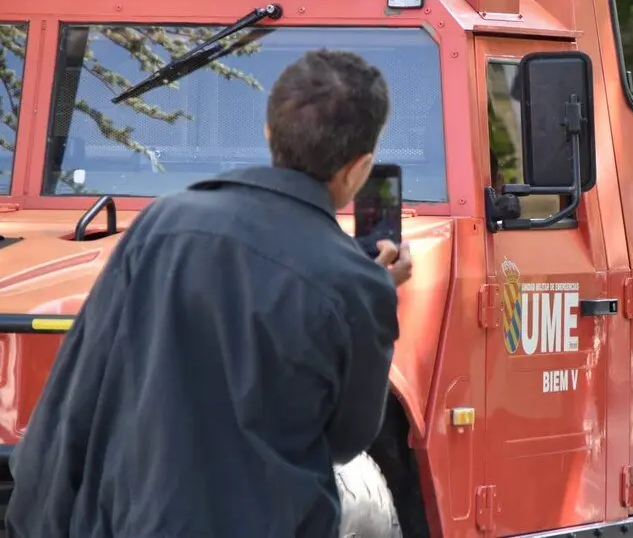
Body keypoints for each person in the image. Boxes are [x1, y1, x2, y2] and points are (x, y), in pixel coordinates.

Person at [5, 49, 413, 538]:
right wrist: (374, 293)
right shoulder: (355, 285)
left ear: (268, 133)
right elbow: (345, 440)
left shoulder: (163, 223)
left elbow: (76, 398)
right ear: (359, 168)